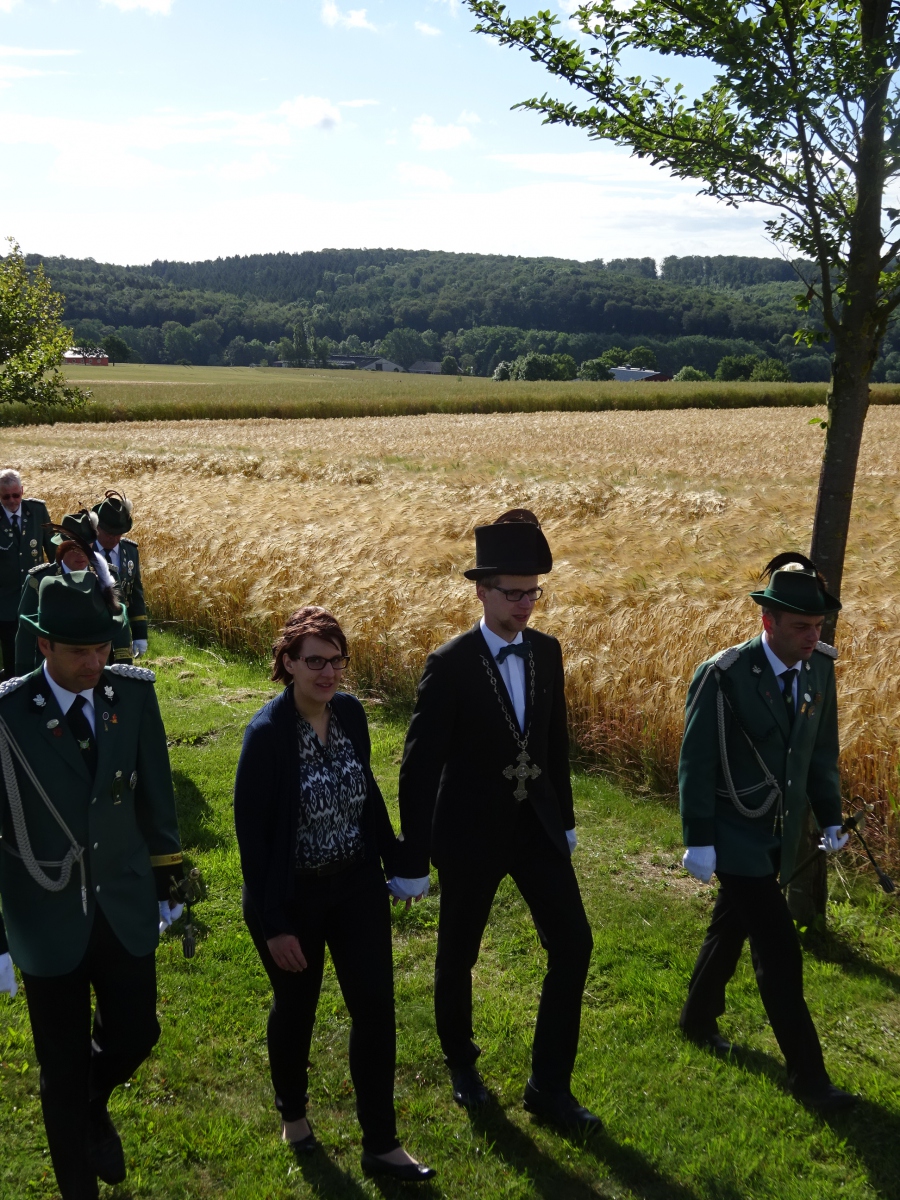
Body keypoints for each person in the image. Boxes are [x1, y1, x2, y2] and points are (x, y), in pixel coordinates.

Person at [389, 510, 598, 1134]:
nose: (525, 604)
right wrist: (412, 856)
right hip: (469, 834)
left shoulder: (547, 652)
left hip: (535, 830)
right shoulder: (449, 664)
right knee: (458, 955)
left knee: (574, 945)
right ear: (480, 590)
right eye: (513, 593)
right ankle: (461, 1062)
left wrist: (564, 819)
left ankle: (549, 1087)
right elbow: (419, 767)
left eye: (534, 592)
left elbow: (555, 743)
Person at [234, 606, 435, 1182]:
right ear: (289, 663)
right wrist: (275, 925)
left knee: (375, 1011)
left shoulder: (349, 713)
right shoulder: (266, 735)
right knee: (296, 1007)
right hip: (292, 896)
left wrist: (400, 861)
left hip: (355, 887)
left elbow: (366, 794)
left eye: (337, 660)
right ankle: (293, 1115)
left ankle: (382, 1144)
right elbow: (253, 840)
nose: (328, 673)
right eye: (315, 661)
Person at [0, 570, 184, 1200]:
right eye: (80, 651)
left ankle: (91, 1100)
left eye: (104, 648)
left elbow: (156, 795)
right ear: (43, 645)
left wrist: (168, 880)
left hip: (122, 900)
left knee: (137, 1033)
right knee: (60, 1062)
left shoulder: (130, 695)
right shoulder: (8, 714)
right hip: (44, 911)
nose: (95, 662)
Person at [678, 554, 857, 1113]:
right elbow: (696, 762)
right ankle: (810, 1080)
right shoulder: (724, 675)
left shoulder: (819, 669)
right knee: (778, 951)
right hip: (734, 832)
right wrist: (698, 837)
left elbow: (819, 753)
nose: (812, 636)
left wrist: (830, 816)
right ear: (768, 622)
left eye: (818, 626)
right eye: (801, 626)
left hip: (781, 832)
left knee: (731, 924)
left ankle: (696, 1019)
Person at [15, 509, 134, 676]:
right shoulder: (39, 581)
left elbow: (120, 622)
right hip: (54, 669)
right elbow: (26, 633)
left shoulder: (106, 577)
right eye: (74, 548)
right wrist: (25, 675)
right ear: (61, 546)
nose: (81, 554)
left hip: (95, 667)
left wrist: (124, 668)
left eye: (86, 547)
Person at [0, 468, 54, 679]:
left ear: (22, 491)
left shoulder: (37, 511)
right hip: (5, 602)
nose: (12, 501)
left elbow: (53, 550)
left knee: (39, 652)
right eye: (6, 497)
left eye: (16, 495)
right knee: (12, 656)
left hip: (35, 598)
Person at [92, 490, 148, 657]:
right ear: (96, 528)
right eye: (109, 533)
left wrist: (140, 635)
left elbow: (135, 594)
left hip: (120, 632)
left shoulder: (130, 551)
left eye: (118, 534)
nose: (114, 539)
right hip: (91, 632)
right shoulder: (84, 551)